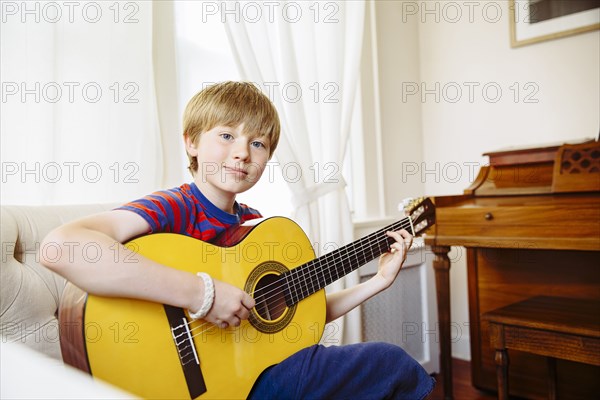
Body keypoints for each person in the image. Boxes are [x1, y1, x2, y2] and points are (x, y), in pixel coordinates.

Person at [41, 81, 435, 399]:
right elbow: (62, 246)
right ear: (192, 142)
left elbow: (297, 314)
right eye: (227, 135)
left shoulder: (255, 227)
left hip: (248, 379)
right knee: (390, 363)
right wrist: (202, 295)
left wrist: (376, 283)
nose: (242, 153)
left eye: (258, 143)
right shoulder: (174, 207)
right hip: (192, 386)